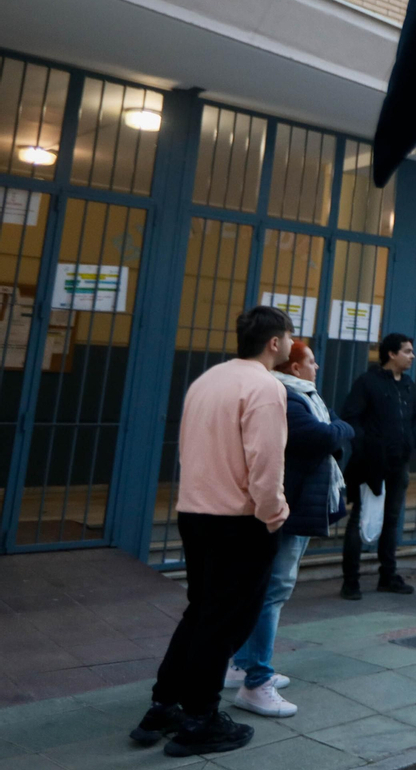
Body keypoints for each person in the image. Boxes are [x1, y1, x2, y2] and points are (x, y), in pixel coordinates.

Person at [130, 307, 294, 757]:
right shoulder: (264, 387)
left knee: (200, 612)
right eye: (288, 338)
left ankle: (162, 707)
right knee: (225, 623)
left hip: (195, 512)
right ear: (275, 343)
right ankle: (200, 718)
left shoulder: (208, 380)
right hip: (240, 521)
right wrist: (273, 513)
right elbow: (265, 462)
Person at [228, 340, 352, 719]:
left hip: (293, 502)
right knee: (273, 589)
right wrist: (336, 428)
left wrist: (335, 427)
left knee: (267, 589)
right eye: (312, 362)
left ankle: (243, 664)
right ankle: (256, 680)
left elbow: (335, 427)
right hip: (288, 505)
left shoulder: (303, 397)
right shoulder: (289, 398)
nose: (318, 368)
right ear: (295, 367)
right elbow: (327, 435)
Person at [341, 332, 416, 599]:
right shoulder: (368, 382)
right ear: (391, 354)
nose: (412, 356)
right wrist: (367, 447)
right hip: (371, 464)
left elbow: (415, 418)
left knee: (392, 520)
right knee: (360, 520)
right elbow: (351, 417)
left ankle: (388, 575)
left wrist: (413, 441)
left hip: (399, 464)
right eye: (407, 351)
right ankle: (350, 581)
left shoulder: (408, 384)